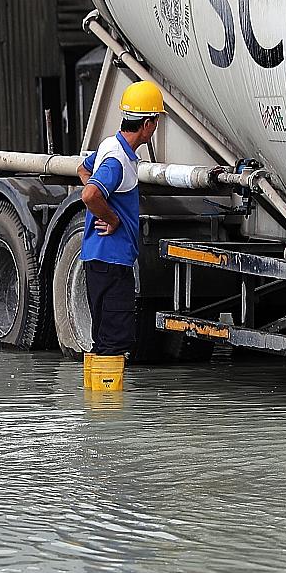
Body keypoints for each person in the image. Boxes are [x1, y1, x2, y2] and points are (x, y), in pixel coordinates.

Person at [76, 81, 164, 379]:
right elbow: (89, 194)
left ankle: (97, 413)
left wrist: (104, 202)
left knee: (103, 339)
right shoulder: (118, 160)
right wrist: (112, 219)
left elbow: (83, 170)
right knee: (113, 342)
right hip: (111, 261)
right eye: (157, 121)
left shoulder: (109, 147)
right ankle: (109, 416)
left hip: (98, 258)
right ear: (148, 124)